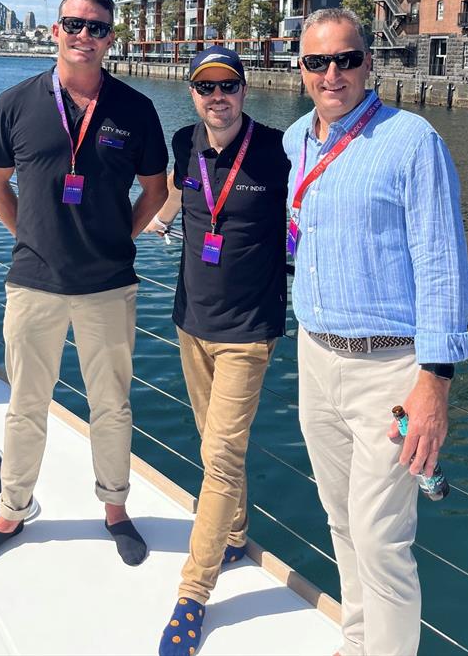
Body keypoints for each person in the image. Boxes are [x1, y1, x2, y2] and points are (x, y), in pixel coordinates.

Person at [284, 8, 468, 656]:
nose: (332, 73)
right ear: (301, 68)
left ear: (370, 62)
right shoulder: (295, 143)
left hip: (390, 371)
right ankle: (358, 639)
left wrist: (435, 382)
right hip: (316, 356)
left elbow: (443, 265)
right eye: (318, 61)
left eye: (347, 58)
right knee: (341, 519)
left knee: (382, 537)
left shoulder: (412, 140)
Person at [0, 0, 168, 570]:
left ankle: (115, 507)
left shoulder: (134, 109)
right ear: (55, 30)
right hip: (34, 282)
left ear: (110, 38)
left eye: (98, 28)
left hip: (108, 284)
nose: (85, 36)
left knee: (113, 406)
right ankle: (11, 509)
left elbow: (156, 191)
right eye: (74, 25)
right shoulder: (16, 102)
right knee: (26, 403)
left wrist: (119, 237)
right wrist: (27, 235)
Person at [145, 47, 290, 656]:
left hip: (248, 330)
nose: (217, 97)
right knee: (212, 444)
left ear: (245, 91)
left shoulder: (280, 149)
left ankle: (192, 596)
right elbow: (185, 194)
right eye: (205, 86)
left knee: (222, 458)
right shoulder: (184, 143)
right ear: (192, 94)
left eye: (227, 85)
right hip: (190, 320)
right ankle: (234, 534)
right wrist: (162, 215)